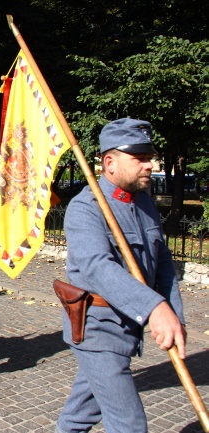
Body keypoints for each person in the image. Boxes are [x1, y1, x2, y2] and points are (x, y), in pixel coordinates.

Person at [55, 118, 186, 433]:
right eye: (139, 158)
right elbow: (97, 266)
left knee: (80, 415)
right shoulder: (85, 207)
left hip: (127, 325)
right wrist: (154, 307)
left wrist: (174, 315)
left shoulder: (144, 202)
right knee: (128, 424)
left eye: (149, 156)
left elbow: (163, 263)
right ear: (110, 162)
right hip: (97, 328)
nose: (149, 165)